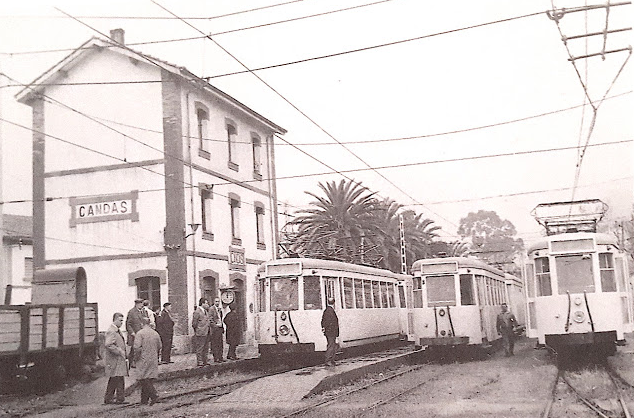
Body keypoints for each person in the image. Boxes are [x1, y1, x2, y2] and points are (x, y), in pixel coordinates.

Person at [133, 317, 162, 405]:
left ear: (141, 324)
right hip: (153, 359)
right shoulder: (155, 333)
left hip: (143, 359)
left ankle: (154, 395)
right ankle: (144, 400)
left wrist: (135, 359)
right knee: (148, 378)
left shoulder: (140, 333)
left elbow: (137, 348)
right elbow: (159, 346)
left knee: (143, 379)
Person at [103, 312, 129, 405]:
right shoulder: (112, 331)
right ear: (115, 319)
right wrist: (119, 351)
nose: (122, 322)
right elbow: (108, 344)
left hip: (117, 360)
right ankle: (119, 399)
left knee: (115, 378)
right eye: (120, 320)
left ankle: (109, 398)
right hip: (115, 359)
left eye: (122, 320)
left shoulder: (116, 330)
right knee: (118, 378)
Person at [126, 299, 146, 368]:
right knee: (134, 349)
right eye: (140, 303)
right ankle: (131, 362)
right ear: (136, 304)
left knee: (141, 348)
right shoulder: (131, 312)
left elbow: (145, 321)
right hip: (134, 334)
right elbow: (128, 324)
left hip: (142, 333)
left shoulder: (144, 312)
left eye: (142, 303)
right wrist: (132, 333)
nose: (142, 305)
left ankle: (138, 362)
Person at [192, 298, 211, 367]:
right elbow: (194, 323)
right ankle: (199, 361)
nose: (207, 305)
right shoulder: (197, 312)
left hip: (207, 332)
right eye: (206, 303)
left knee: (206, 347)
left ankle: (205, 360)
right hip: (200, 332)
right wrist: (198, 330)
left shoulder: (206, 311)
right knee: (200, 347)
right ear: (202, 303)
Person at [321, 297, 339, 367]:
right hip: (331, 332)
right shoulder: (330, 311)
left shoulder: (327, 310)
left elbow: (323, 321)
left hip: (329, 331)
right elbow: (330, 322)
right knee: (331, 346)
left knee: (332, 345)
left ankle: (332, 360)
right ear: (334, 303)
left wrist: (324, 328)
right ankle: (328, 360)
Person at [208, 297, 225, 363]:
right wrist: (215, 326)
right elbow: (210, 319)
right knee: (215, 344)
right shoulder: (211, 309)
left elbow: (221, 319)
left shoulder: (220, 309)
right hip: (215, 329)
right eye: (216, 301)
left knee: (220, 343)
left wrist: (222, 327)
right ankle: (216, 358)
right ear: (214, 302)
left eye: (218, 301)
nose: (217, 303)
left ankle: (220, 357)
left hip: (220, 328)